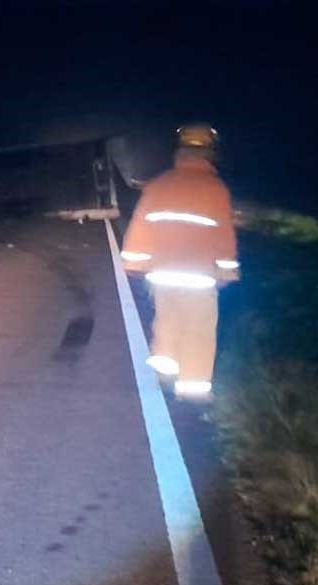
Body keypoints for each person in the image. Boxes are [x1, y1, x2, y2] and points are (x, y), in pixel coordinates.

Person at [120, 123, 238, 401]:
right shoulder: (216, 189)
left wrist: (133, 263)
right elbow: (224, 235)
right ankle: (192, 391)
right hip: (198, 277)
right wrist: (227, 272)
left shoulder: (159, 184)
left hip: (163, 274)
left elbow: (141, 224)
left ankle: (164, 369)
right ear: (212, 152)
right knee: (198, 331)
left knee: (167, 322)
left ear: (179, 151)